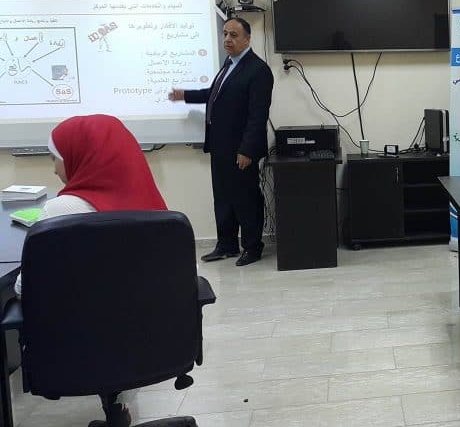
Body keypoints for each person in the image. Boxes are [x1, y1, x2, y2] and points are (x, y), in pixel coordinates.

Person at [15, 114, 167, 296]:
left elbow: (24, 288)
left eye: (54, 158)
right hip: (152, 313)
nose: (54, 170)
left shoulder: (58, 211)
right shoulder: (157, 209)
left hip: (76, 314)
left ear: (78, 156)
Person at [169, 17, 274, 266]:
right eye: (225, 33)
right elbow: (214, 95)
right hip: (220, 147)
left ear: (247, 39)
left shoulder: (258, 70)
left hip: (241, 150)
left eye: (234, 35)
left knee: (245, 199)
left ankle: (252, 247)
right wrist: (185, 95)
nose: (227, 39)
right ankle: (226, 244)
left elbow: (258, 115)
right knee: (224, 199)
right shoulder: (229, 64)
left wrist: (247, 150)